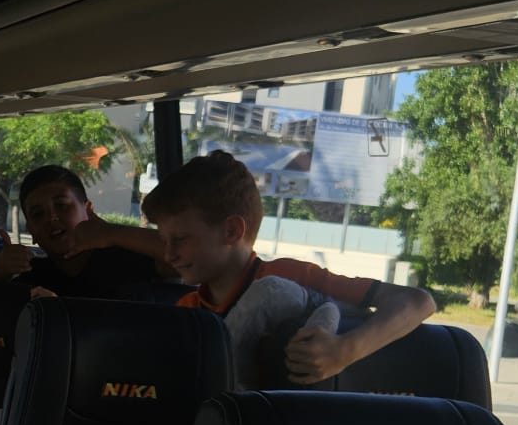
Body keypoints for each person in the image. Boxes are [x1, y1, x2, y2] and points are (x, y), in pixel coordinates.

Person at [141, 151, 435, 389]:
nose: (169, 254)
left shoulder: (291, 277)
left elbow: (418, 301)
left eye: (181, 239)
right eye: (164, 241)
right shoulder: (188, 311)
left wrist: (345, 350)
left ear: (231, 231)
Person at [0, 165, 170, 299]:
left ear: (88, 210)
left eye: (62, 205)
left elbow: (178, 257)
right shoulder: (33, 277)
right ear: (31, 232)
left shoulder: (125, 260)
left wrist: (111, 232)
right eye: (38, 214)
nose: (51, 218)